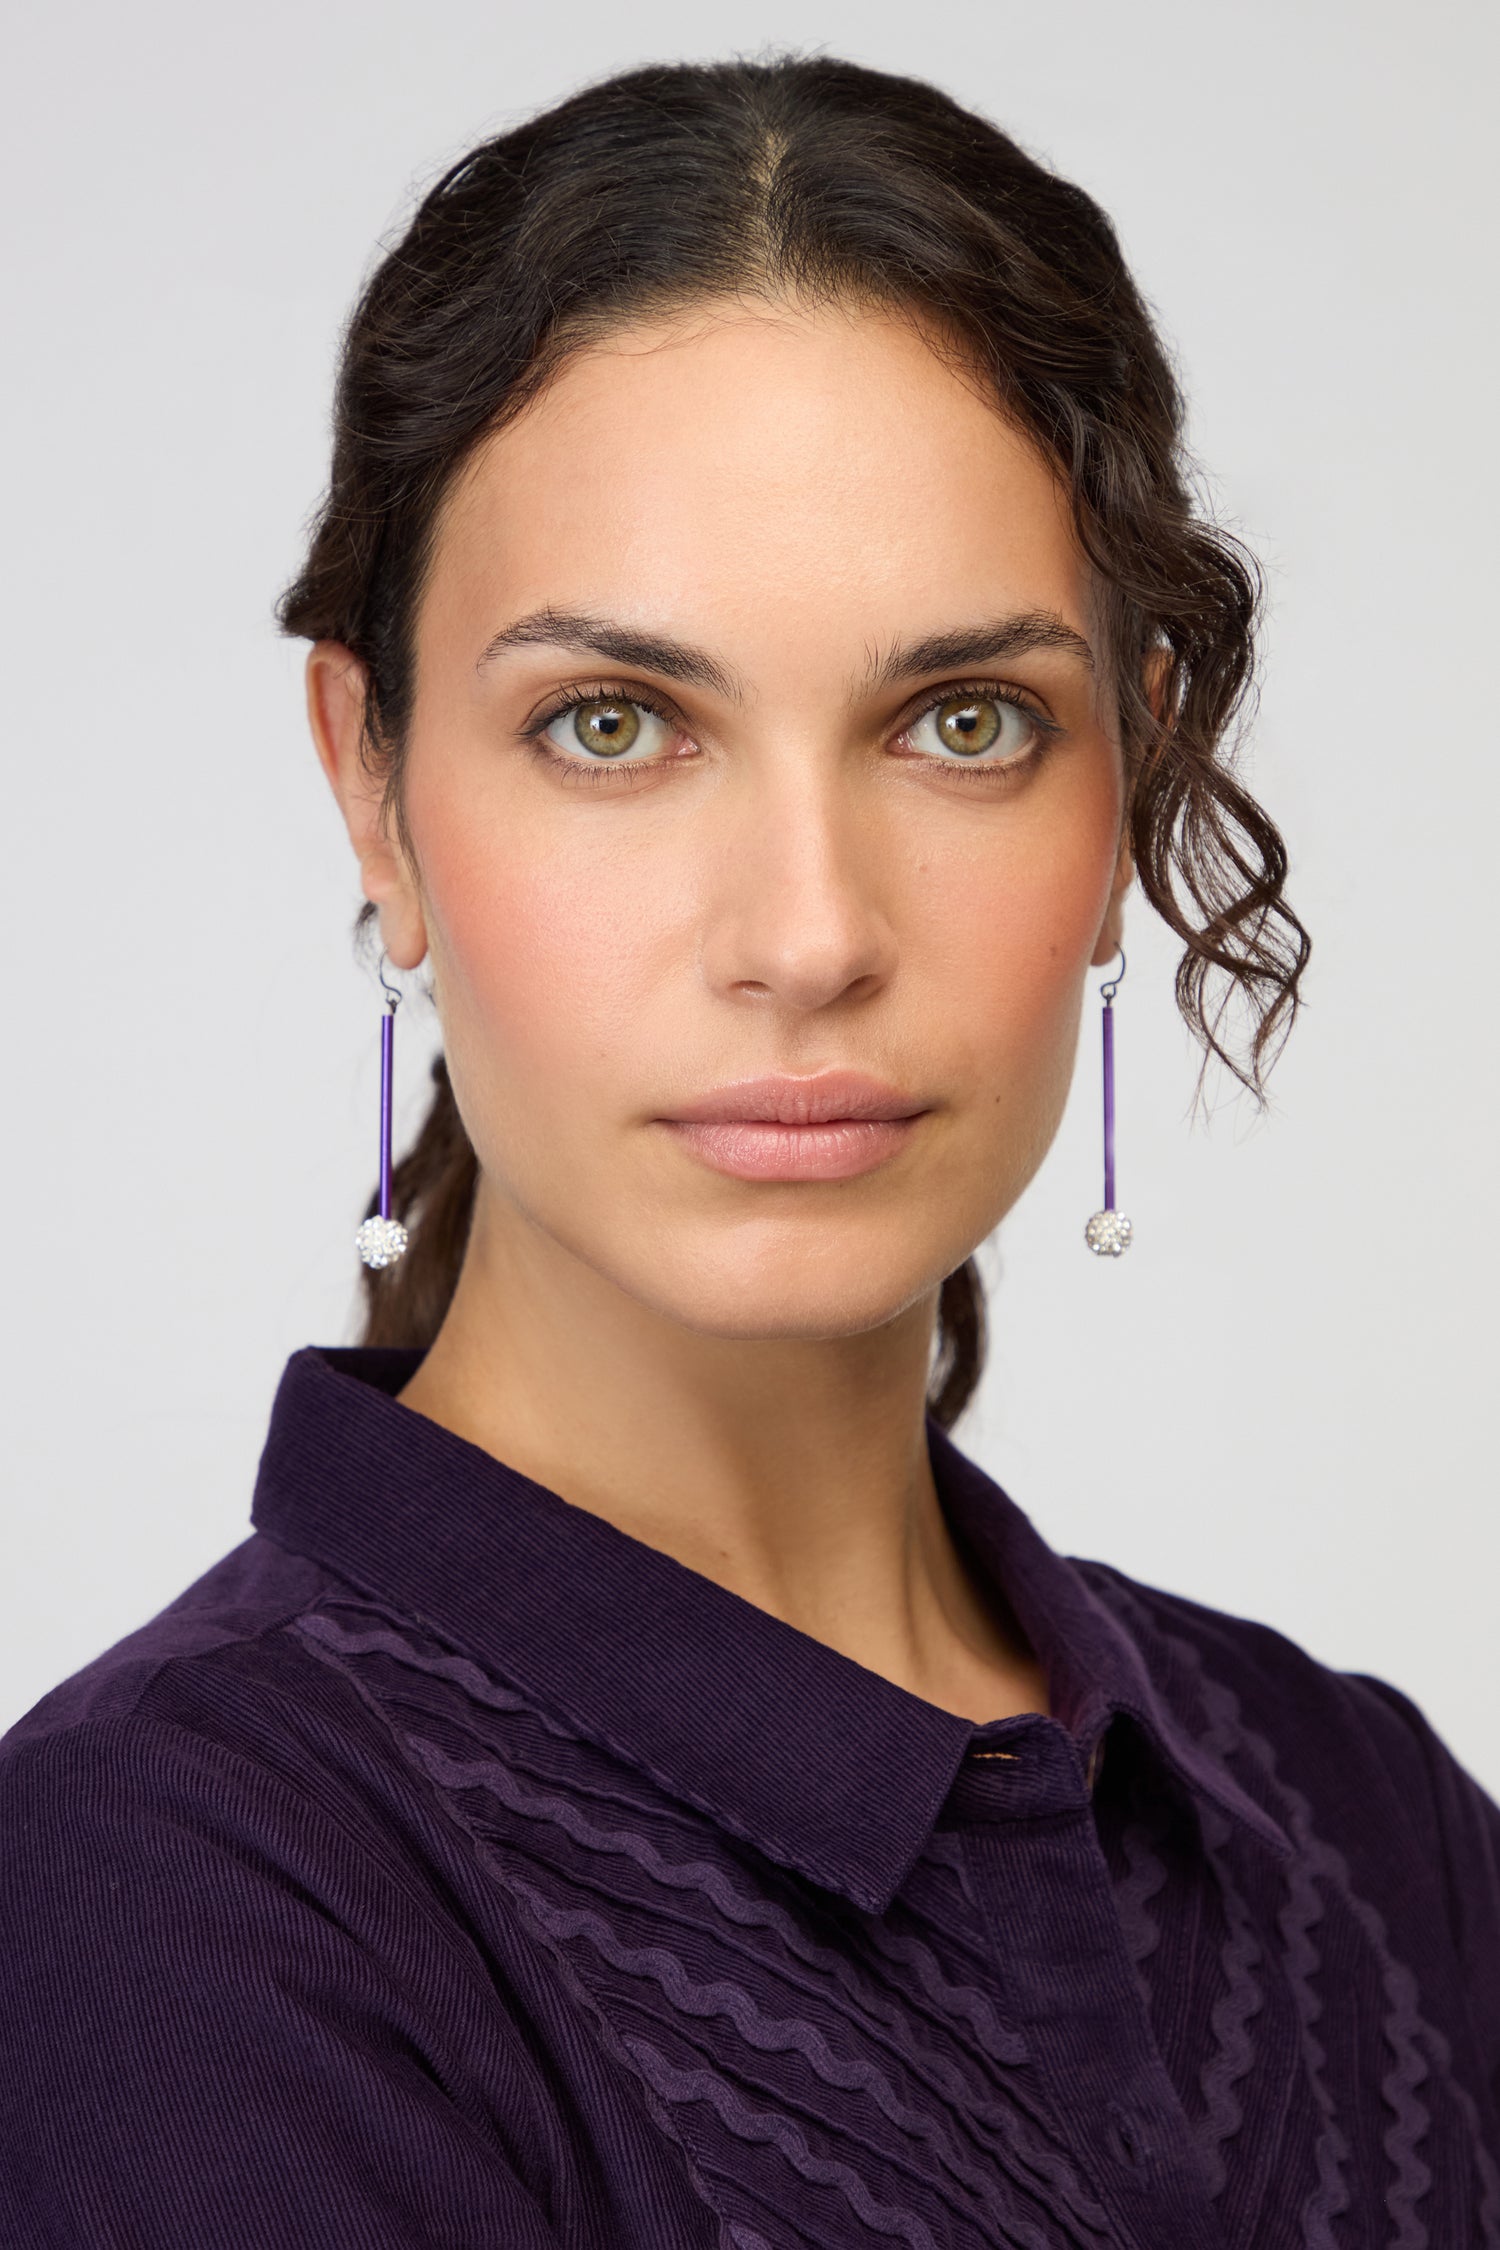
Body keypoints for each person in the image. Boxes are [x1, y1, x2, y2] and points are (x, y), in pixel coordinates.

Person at [2, 52, 1496, 2249]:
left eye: (963, 723)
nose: (808, 936)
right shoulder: (169, 1897)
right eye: (615, 727)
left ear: (1134, 776)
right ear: (372, 783)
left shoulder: (1367, 1821)